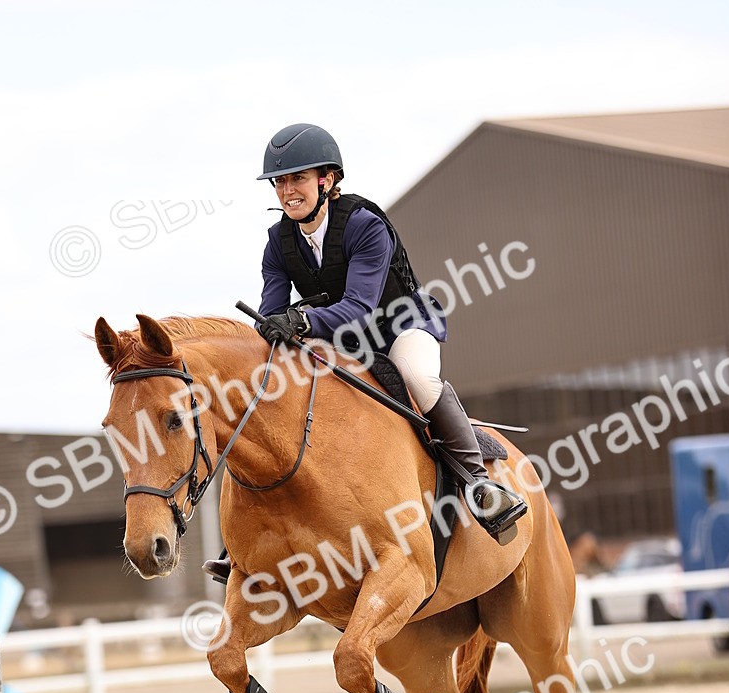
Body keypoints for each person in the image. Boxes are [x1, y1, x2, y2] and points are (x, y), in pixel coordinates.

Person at [205, 123, 527, 584]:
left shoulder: (364, 226)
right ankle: (251, 535)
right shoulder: (278, 243)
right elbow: (273, 312)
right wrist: (272, 327)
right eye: (280, 182)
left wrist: (301, 321)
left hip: (398, 326)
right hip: (341, 339)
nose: (287, 191)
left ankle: (479, 484)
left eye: (297, 179)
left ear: (328, 180)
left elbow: (359, 307)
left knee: (417, 377)